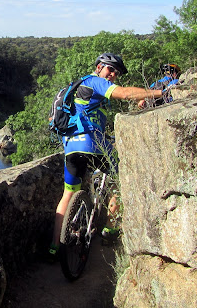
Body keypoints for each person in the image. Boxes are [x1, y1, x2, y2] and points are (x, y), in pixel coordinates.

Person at [49, 53, 171, 256]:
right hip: (92, 144)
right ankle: (110, 229)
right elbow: (124, 94)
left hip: (71, 147)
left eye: (116, 72)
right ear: (98, 67)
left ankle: (54, 247)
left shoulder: (75, 87)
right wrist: (158, 93)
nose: (113, 74)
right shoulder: (95, 82)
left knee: (68, 194)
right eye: (110, 69)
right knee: (121, 181)